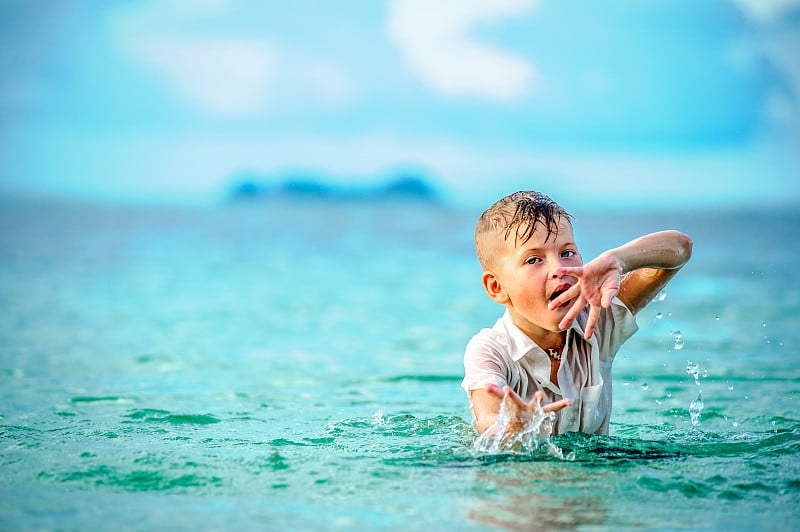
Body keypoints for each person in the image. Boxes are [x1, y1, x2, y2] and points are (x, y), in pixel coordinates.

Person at [462, 190, 692, 437]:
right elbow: (488, 419)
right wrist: (510, 428)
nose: (559, 268)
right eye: (533, 260)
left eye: (567, 253)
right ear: (497, 287)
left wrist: (619, 260)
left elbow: (680, 247)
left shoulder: (597, 318)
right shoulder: (490, 350)